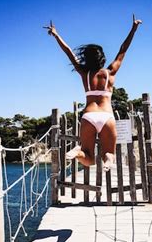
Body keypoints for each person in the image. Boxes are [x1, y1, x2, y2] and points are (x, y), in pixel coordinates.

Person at [45, 15, 142, 171]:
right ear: (102, 58)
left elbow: (69, 52)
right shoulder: (110, 72)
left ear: (88, 58)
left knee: (88, 158)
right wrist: (134, 29)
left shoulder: (85, 73)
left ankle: (79, 151)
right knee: (109, 152)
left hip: (89, 116)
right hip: (106, 116)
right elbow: (123, 49)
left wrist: (56, 35)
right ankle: (108, 159)